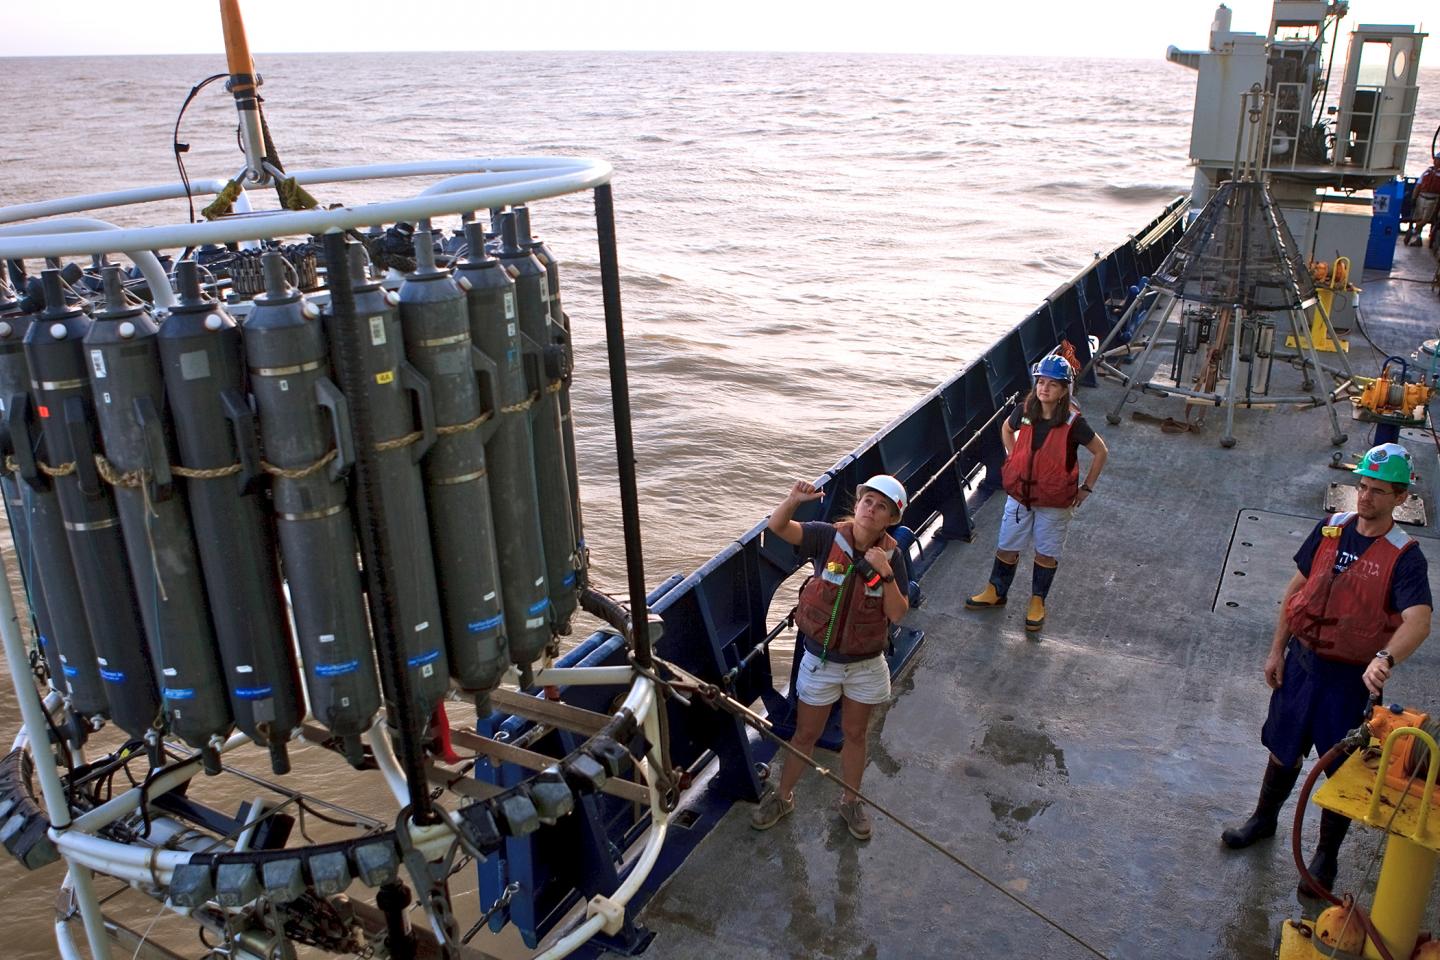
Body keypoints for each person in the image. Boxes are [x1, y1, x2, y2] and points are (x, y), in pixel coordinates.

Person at [1220, 442, 1431, 897]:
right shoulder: (1331, 529)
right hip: (1302, 665)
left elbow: (1419, 620)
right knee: (1282, 747)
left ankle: (1325, 856)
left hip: (1349, 680)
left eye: (1377, 491)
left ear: (1400, 498)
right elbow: (1297, 589)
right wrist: (1277, 651)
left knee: (1342, 767)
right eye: (1362, 486)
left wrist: (1385, 657)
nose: (1365, 498)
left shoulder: (1405, 556)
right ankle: (1263, 820)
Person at [750, 474, 911, 840]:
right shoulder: (826, 536)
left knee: (855, 734)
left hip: (865, 664)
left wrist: (885, 575)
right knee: (806, 733)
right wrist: (793, 500)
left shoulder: (892, 557)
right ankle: (784, 795)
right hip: (821, 661)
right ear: (856, 505)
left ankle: (850, 801)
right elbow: (778, 527)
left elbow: (898, 613)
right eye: (867, 501)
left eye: (881, 506)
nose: (871, 509)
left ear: (890, 519)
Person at [965, 353, 1108, 631]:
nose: (1044, 388)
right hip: (1019, 496)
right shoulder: (1024, 410)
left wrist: (1086, 488)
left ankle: (1037, 600)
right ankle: (996, 590)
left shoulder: (1074, 423)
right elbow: (1007, 429)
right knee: (1007, 545)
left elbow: (1101, 451)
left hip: (1054, 503)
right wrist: (1013, 456)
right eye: (1041, 382)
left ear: (1064, 390)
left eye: (1052, 384)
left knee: (1046, 552)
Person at [1407, 153, 1440, 248]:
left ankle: (1412, 231)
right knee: (1418, 218)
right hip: (1421, 197)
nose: (1436, 161)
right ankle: (1418, 238)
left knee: (1426, 219)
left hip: (1433, 199)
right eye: (1436, 159)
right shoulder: (1427, 172)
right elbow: (1418, 185)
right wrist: (1414, 198)